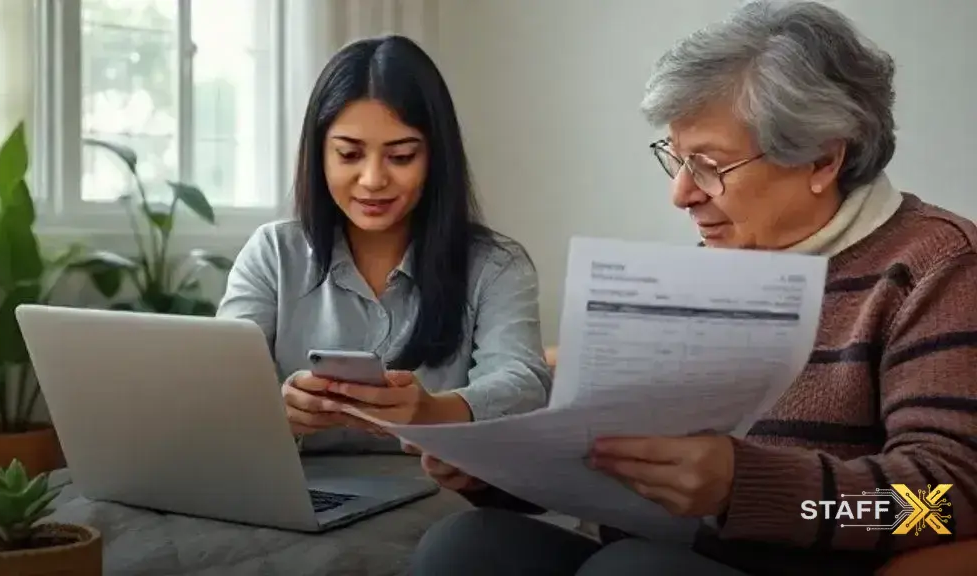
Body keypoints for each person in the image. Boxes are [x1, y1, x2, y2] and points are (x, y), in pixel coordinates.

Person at [408, 2, 977, 575]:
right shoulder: (712, 268)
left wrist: (747, 488)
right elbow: (614, 467)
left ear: (824, 158)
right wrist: (496, 470)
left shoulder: (936, 266)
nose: (681, 194)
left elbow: (943, 506)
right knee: (465, 546)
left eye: (708, 165)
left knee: (630, 571)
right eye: (676, 161)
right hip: (649, 552)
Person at [216, 34, 552, 453]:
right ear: (319, 155)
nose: (373, 180)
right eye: (349, 154)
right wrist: (277, 413)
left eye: (401, 156)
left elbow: (523, 382)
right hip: (301, 489)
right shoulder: (273, 254)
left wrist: (433, 412)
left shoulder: (495, 266)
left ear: (434, 158)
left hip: (435, 491)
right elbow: (221, 388)